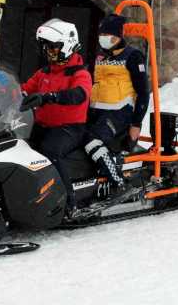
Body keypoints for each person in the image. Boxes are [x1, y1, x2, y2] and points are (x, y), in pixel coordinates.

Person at [19, 18, 92, 215]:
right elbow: (24, 90)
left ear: (67, 46)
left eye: (53, 47)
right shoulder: (44, 72)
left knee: (49, 152)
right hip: (42, 125)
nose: (49, 51)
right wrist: (1, 93)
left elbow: (80, 94)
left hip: (69, 128)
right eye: (46, 47)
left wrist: (50, 97)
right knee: (18, 148)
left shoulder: (79, 73)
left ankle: (69, 202)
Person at [84, 13, 149, 193]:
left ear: (119, 36)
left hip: (119, 114)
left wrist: (136, 124)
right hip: (96, 112)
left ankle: (118, 182)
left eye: (108, 36)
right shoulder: (100, 58)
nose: (104, 39)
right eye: (101, 36)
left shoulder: (133, 56)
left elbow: (143, 93)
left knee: (92, 141)